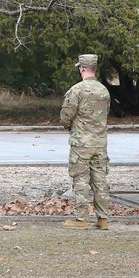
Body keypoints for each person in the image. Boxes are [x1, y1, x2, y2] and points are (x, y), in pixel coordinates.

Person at [60, 54, 112, 230]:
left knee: (81, 181)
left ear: (82, 68)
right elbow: (106, 113)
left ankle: (81, 220)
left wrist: (70, 127)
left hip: (81, 144)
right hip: (100, 143)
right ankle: (102, 219)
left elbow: (66, 116)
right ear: (94, 68)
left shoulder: (76, 90)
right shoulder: (104, 91)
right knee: (100, 181)